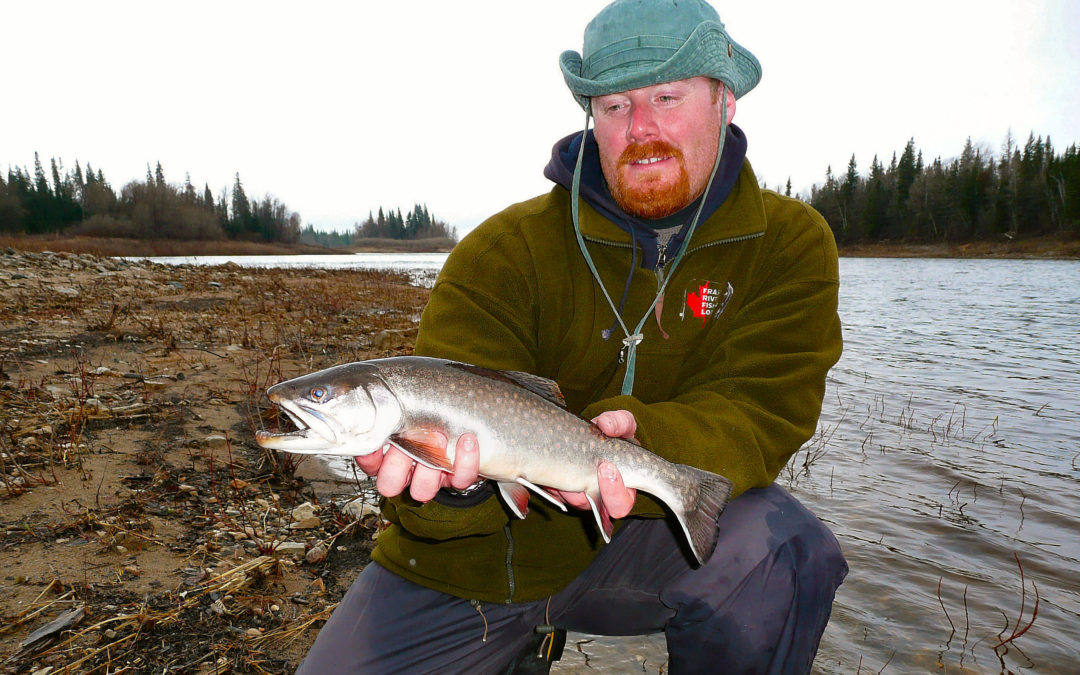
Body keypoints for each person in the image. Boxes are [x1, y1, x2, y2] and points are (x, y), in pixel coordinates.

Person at [297, 0, 847, 672]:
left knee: (784, 550)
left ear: (724, 102)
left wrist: (643, 447)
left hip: (645, 540)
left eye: (667, 97)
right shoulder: (501, 250)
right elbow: (445, 472)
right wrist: (457, 487)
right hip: (465, 567)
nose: (640, 127)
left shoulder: (790, 244)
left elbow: (764, 412)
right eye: (614, 106)